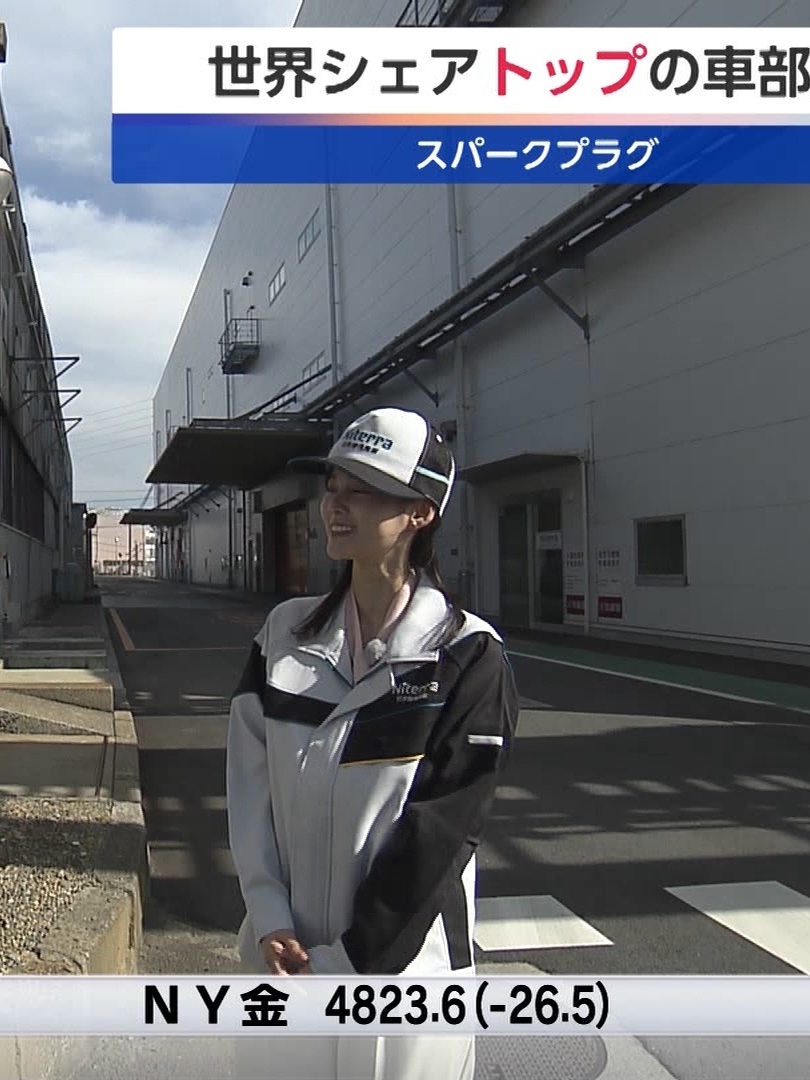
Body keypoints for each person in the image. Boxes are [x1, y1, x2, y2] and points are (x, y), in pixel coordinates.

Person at [225, 406, 520, 1080]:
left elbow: (440, 835)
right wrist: (268, 915)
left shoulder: (468, 657)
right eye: (332, 485)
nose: (336, 504)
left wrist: (347, 965)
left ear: (420, 512)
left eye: (362, 490)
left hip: (403, 979)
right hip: (285, 962)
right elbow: (249, 789)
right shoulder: (283, 637)